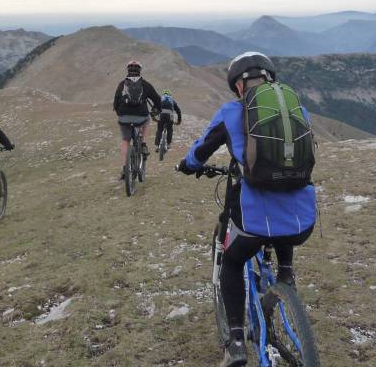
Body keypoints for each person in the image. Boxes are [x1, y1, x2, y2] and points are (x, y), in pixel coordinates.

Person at [177, 52, 316, 367]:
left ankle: (236, 343)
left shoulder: (230, 112)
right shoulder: (298, 110)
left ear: (239, 85)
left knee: (232, 260)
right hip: (301, 219)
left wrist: (187, 165)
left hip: (254, 219)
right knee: (282, 222)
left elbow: (200, 152)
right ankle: (286, 275)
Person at [113, 60, 162, 178]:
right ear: (140, 71)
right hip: (141, 117)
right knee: (147, 119)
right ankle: (143, 143)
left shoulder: (122, 84)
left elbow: (115, 103)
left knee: (125, 140)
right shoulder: (145, 84)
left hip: (124, 118)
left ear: (128, 70)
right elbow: (157, 100)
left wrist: (120, 113)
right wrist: (157, 109)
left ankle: (125, 169)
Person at [154, 88, 182, 152]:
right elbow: (178, 111)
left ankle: (157, 145)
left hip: (161, 115)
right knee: (169, 129)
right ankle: (168, 144)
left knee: (159, 130)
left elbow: (154, 108)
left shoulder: (160, 99)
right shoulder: (172, 100)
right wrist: (179, 121)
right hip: (170, 115)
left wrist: (154, 117)